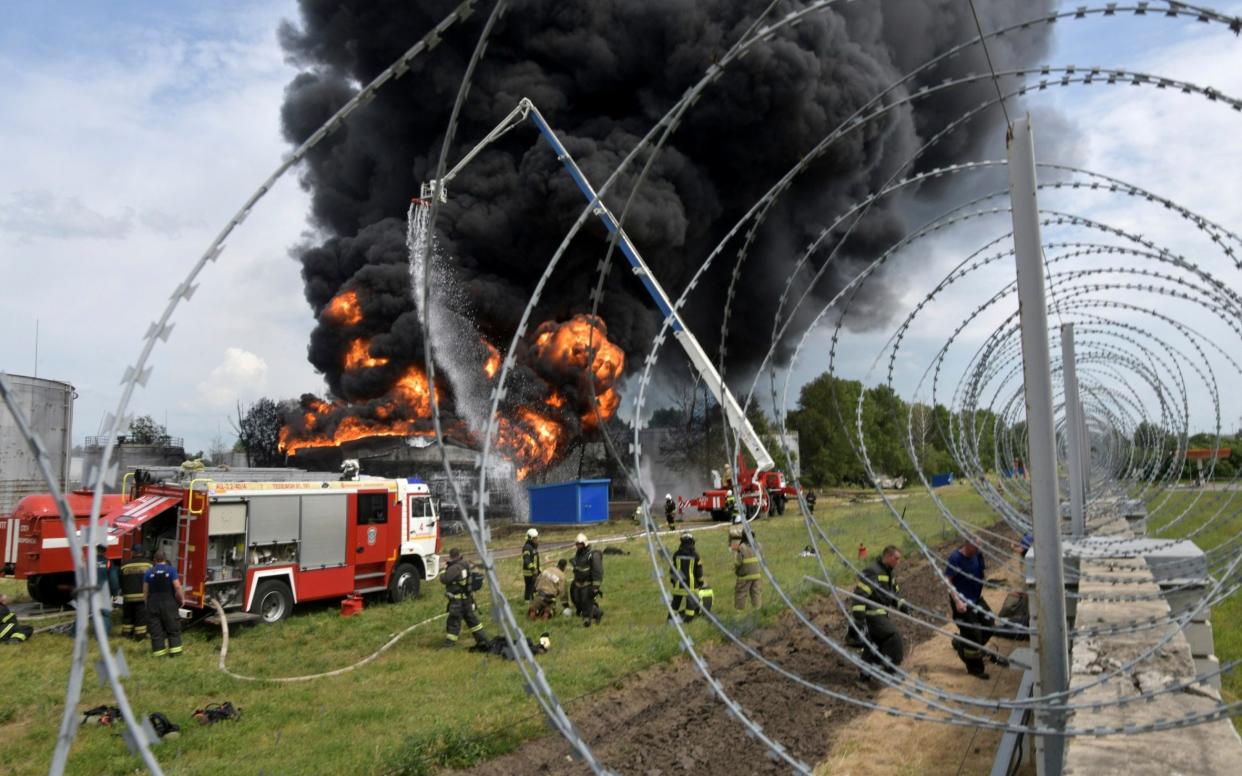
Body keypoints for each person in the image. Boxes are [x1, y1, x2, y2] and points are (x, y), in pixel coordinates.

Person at [849, 545, 908, 682]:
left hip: (880, 613)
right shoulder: (872, 571)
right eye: (896, 559)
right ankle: (891, 671)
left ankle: (865, 675)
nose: (898, 562)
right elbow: (859, 595)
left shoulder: (888, 572)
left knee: (875, 642)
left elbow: (893, 594)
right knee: (893, 636)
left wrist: (903, 605)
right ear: (887, 556)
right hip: (871, 614)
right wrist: (858, 620)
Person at [945, 539, 997, 679]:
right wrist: (957, 601)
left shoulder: (978, 555)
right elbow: (948, 581)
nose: (979, 549)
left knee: (990, 625)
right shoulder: (955, 559)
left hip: (976, 599)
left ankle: (963, 645)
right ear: (967, 545)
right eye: (976, 547)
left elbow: (980, 573)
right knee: (973, 635)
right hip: (962, 602)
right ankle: (975, 668)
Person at [440, 548, 490, 648]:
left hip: (457, 601)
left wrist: (443, 569)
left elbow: (444, 579)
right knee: (472, 620)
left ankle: (449, 644)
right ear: (459, 554)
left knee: (454, 621)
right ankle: (482, 639)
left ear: (451, 556)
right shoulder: (465, 564)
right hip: (467, 598)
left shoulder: (455, 568)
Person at [143, 549, 185, 657]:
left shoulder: (148, 572)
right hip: (169, 604)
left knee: (156, 631)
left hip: (153, 604)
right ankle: (176, 654)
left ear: (154, 560)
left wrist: (147, 603)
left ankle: (159, 654)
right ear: (165, 559)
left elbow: (145, 591)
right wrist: (182, 599)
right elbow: (177, 586)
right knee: (173, 629)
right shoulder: (171, 570)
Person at [570, 533, 604, 627]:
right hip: (578, 583)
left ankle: (587, 620)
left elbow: (597, 571)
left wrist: (596, 587)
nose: (578, 546)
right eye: (577, 544)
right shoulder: (579, 554)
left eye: (580, 544)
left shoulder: (592, 555)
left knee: (586, 601)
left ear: (584, 544)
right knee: (577, 600)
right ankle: (597, 612)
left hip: (588, 584)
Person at [669, 532, 704, 622]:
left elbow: (672, 570)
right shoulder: (695, 555)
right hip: (691, 585)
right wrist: (700, 582)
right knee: (690, 604)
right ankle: (688, 620)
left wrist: (673, 581)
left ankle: (670, 618)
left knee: (675, 603)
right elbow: (698, 571)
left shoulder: (676, 554)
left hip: (678, 584)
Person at [120, 546, 152, 641]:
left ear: (133, 552)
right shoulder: (149, 565)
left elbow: (120, 580)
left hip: (128, 596)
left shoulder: (124, 564)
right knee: (141, 617)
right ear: (143, 552)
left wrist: (123, 590)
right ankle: (140, 636)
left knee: (128, 617)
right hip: (142, 596)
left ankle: (126, 635)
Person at [730, 525, 762, 610]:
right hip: (757, 575)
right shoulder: (758, 545)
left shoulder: (742, 547)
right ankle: (758, 610)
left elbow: (738, 562)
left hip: (745, 576)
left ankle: (739, 611)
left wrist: (736, 571)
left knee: (741, 593)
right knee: (756, 594)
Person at [521, 528, 541, 602]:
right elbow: (526, 559)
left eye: (537, 538)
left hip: (535, 571)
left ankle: (532, 599)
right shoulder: (527, 548)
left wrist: (538, 570)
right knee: (529, 586)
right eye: (535, 538)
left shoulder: (533, 547)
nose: (537, 540)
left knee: (534, 586)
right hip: (529, 572)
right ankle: (527, 601)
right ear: (530, 539)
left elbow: (535, 559)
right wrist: (532, 569)